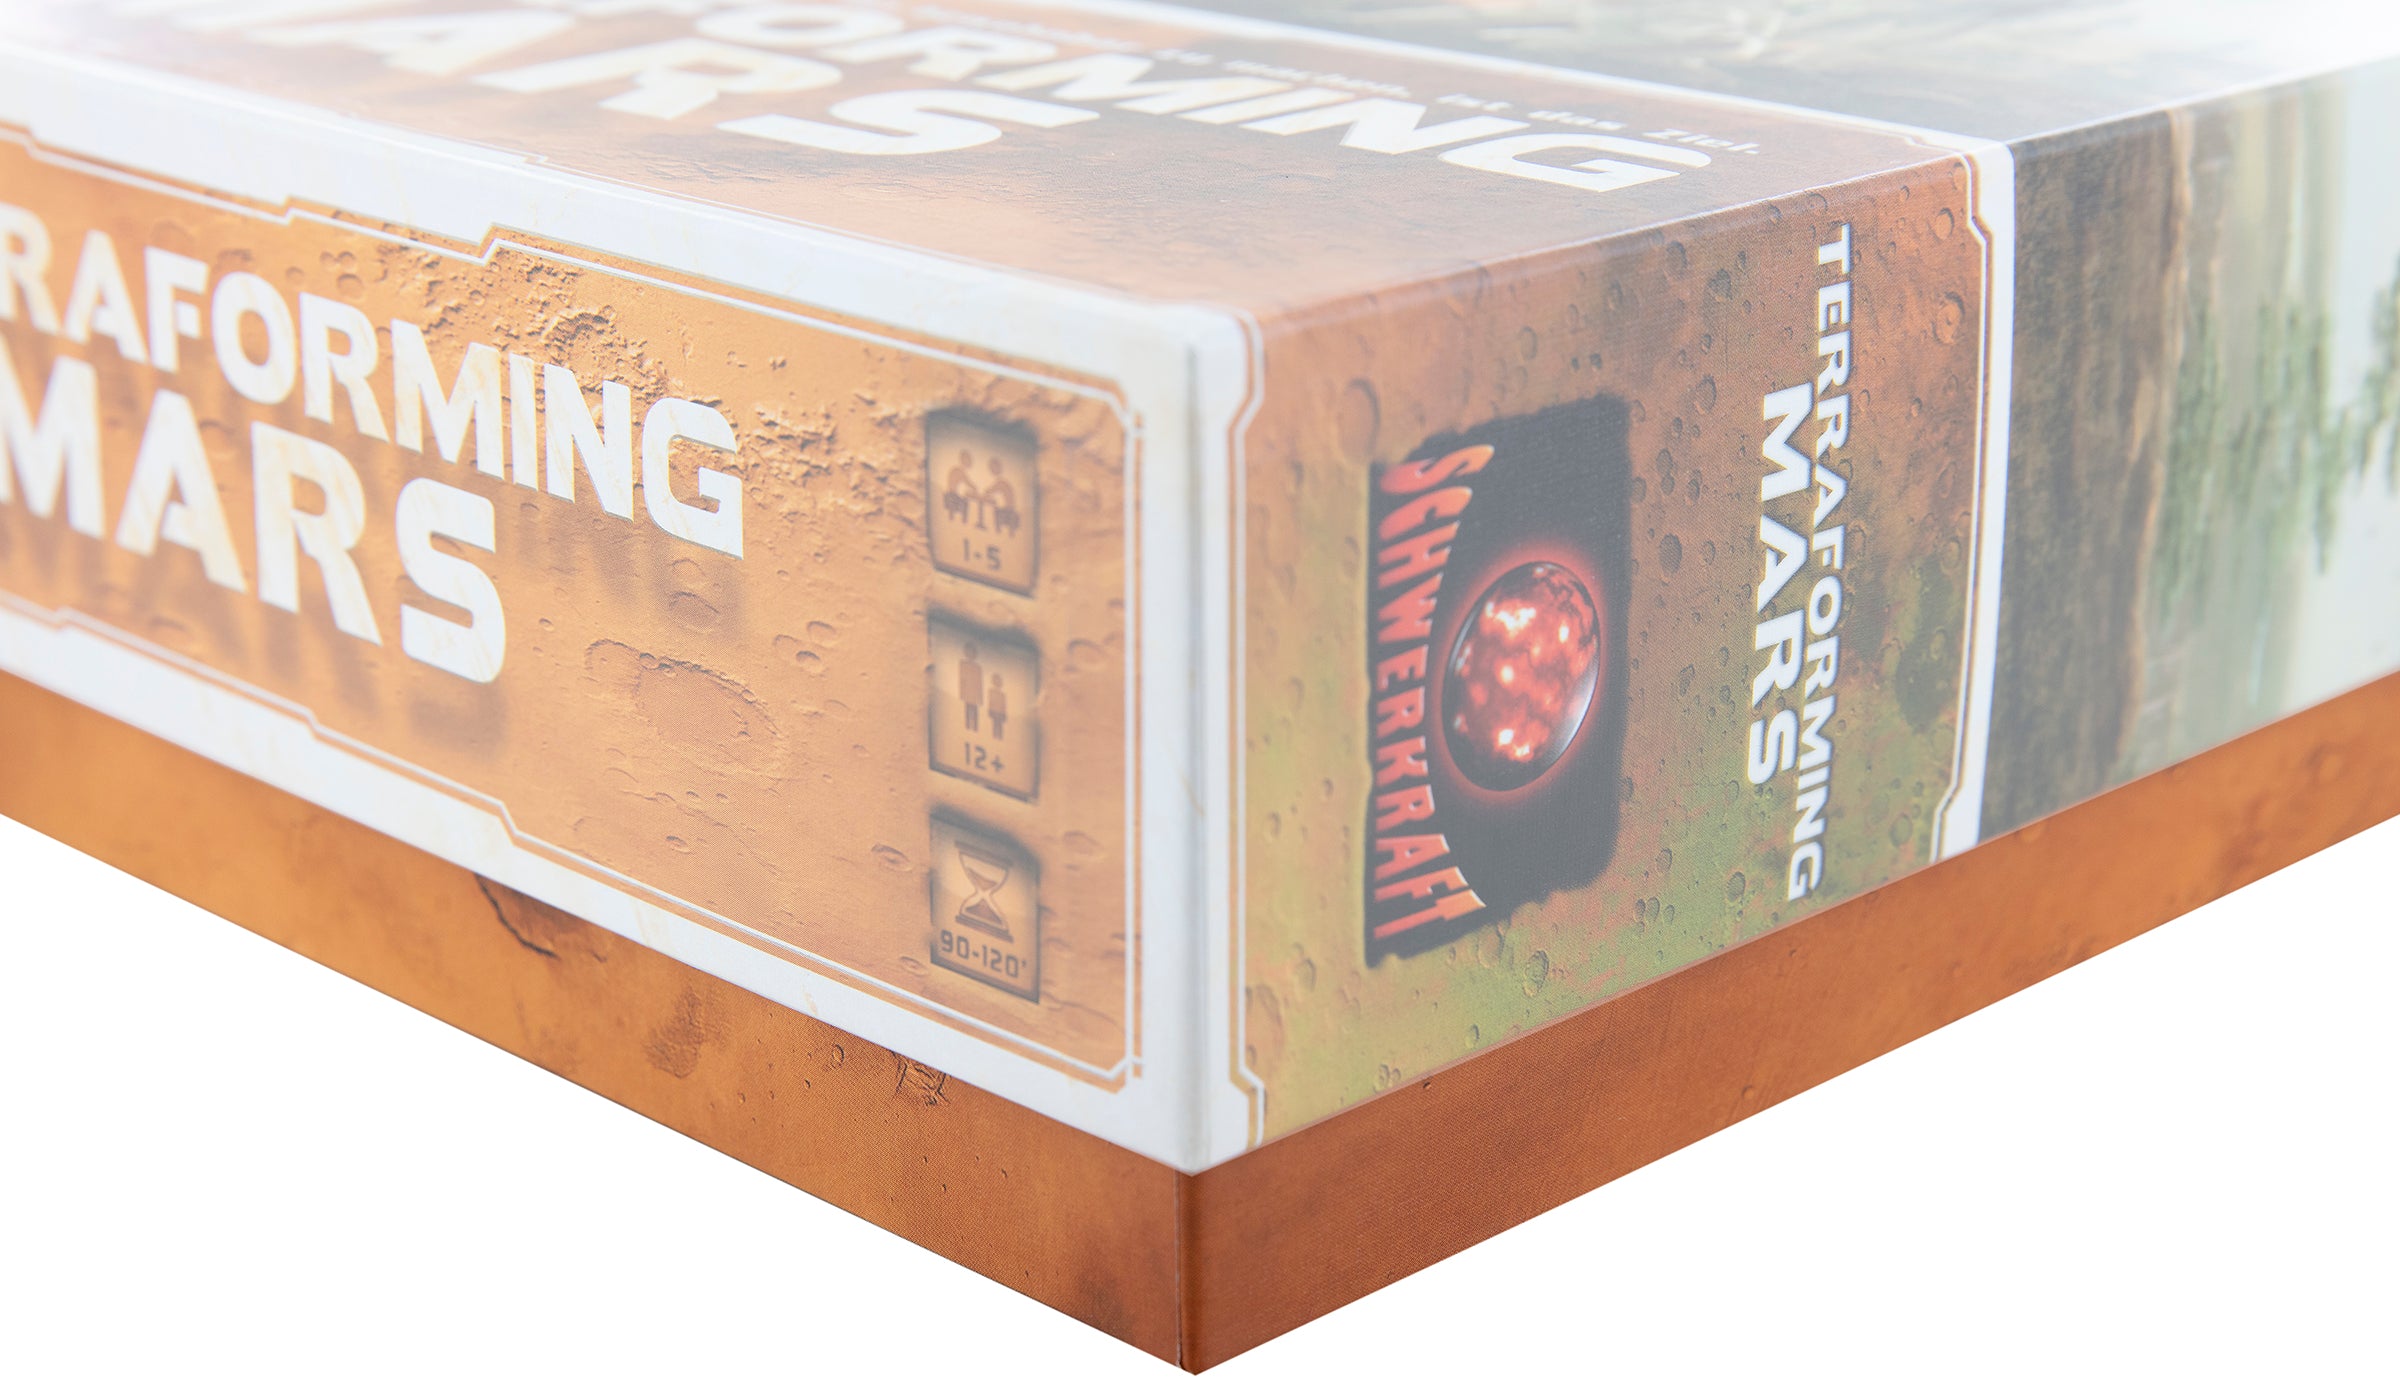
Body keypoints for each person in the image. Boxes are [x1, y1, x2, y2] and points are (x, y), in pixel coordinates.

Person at [957, 643, 984, 731]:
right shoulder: (963, 664)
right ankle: (967, 727)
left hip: (975, 694)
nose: (970, 654)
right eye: (969, 652)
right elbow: (962, 680)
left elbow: (980, 684)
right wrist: (962, 693)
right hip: (967, 693)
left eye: (972, 652)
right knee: (967, 710)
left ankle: (975, 728)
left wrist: (981, 698)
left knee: (975, 712)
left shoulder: (978, 668)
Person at [987, 674, 1009, 742]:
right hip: (994, 712)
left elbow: (1004, 705)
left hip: (1000, 713)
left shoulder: (1002, 695)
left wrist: (1004, 715)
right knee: (995, 726)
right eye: (996, 681)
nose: (997, 683)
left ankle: (999, 739)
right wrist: (990, 711)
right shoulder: (991, 692)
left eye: (998, 681)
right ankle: (995, 739)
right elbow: (990, 702)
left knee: (1000, 728)